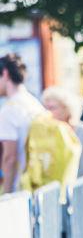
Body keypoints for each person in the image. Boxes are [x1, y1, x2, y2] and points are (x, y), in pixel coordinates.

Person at [0, 53, 46, 192]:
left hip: (21, 189)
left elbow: (10, 158)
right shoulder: (34, 103)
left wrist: (7, 195)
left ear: (5, 74)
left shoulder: (9, 110)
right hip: (39, 183)